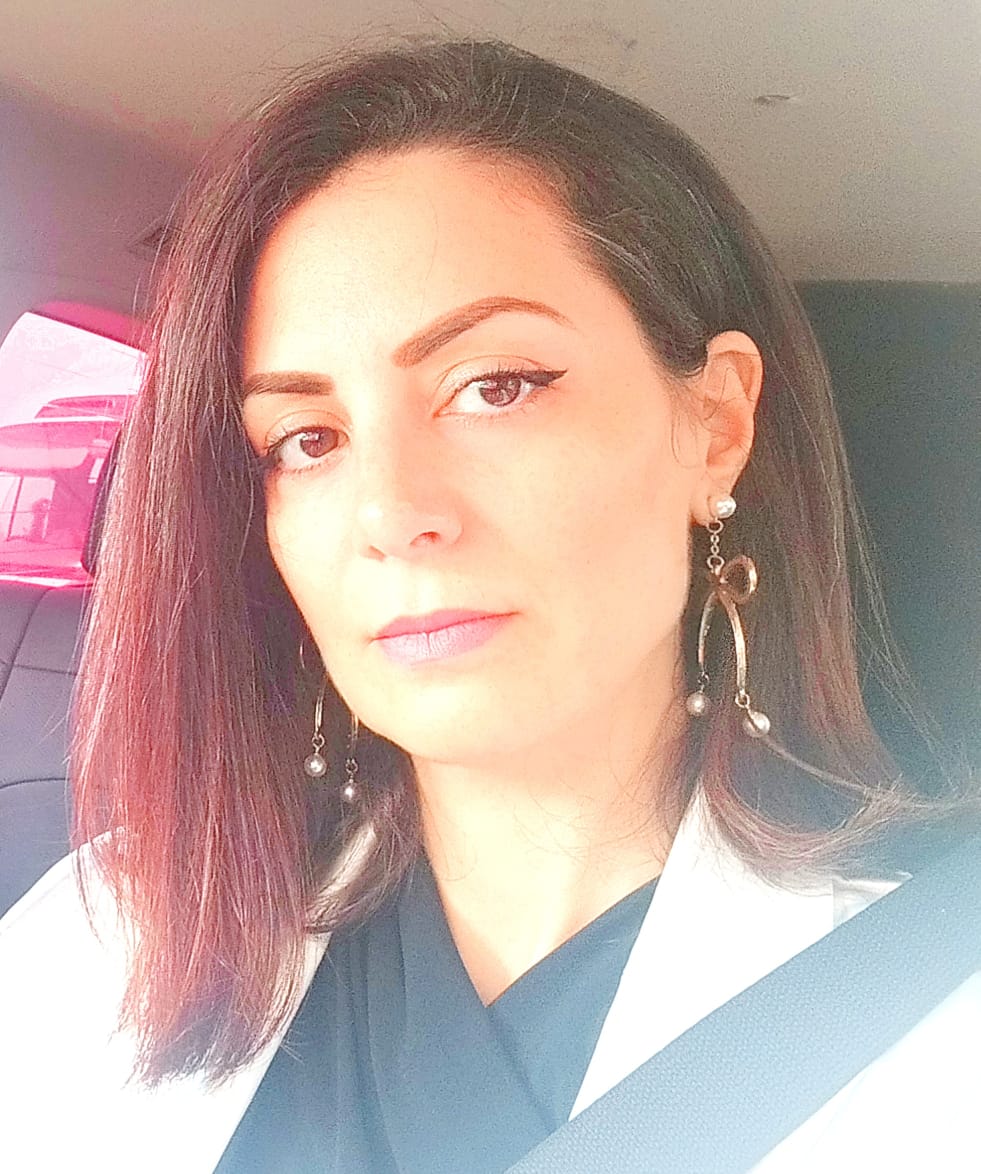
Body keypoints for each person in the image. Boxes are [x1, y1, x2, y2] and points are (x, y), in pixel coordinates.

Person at [0, 36, 977, 1174]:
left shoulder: (937, 1027)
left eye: (494, 387)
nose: (390, 511)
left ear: (715, 424)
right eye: (305, 440)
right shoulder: (105, 938)